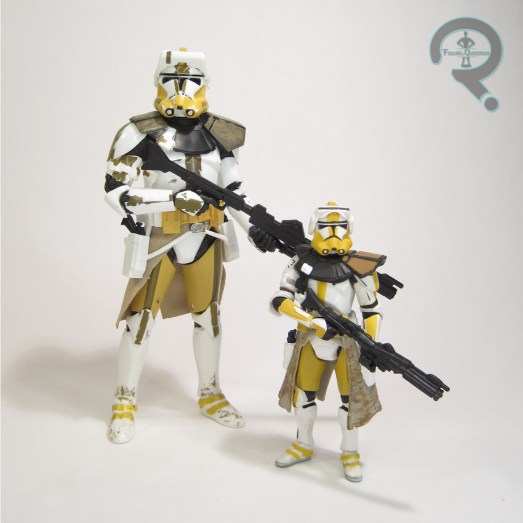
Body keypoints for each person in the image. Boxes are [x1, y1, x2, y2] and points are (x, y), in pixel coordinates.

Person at [104, 49, 273, 443]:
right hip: (158, 237)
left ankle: (210, 393)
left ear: (204, 85)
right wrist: (170, 200)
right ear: (159, 83)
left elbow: (233, 189)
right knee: (139, 321)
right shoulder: (138, 133)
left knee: (209, 317)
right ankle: (125, 399)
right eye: (173, 80)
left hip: (206, 237)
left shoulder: (219, 135)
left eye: (192, 81)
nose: (182, 89)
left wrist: (255, 228)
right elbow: (115, 191)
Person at [270, 203, 384, 481]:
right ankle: (303, 443)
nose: (333, 234)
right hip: (311, 336)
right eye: (326, 227)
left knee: (351, 399)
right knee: (303, 395)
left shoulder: (358, 265)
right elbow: (280, 300)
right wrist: (310, 321)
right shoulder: (300, 261)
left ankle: (350, 451)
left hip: (347, 339)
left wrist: (369, 343)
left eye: (339, 227)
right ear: (315, 229)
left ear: (348, 229)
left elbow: (371, 310)